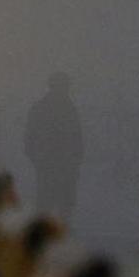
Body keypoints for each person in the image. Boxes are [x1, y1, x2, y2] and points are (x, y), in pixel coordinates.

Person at [24, 72, 84, 222]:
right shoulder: (67, 108)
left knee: (52, 198)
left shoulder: (43, 107)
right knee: (57, 198)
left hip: (53, 161)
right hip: (56, 161)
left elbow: (29, 136)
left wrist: (34, 155)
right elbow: (76, 136)